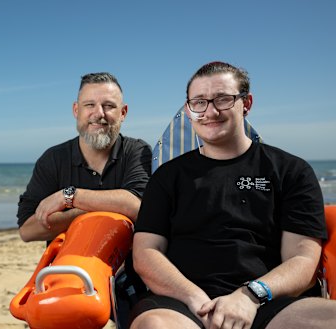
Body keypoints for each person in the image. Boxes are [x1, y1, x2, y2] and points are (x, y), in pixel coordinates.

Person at [129, 61, 336, 329]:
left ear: (246, 103)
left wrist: (250, 296)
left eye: (223, 100)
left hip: (268, 300)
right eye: (199, 102)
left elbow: (302, 259)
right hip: (182, 304)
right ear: (189, 111)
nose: (210, 111)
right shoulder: (168, 177)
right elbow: (146, 252)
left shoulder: (291, 171)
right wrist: (196, 299)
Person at [16, 72, 152, 242]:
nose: (99, 113)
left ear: (123, 113)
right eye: (89, 105)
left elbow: (139, 209)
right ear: (76, 110)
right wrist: (96, 209)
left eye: (108, 105)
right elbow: (27, 231)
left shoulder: (138, 151)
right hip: (70, 265)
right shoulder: (53, 159)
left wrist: (69, 197)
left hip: (125, 266)